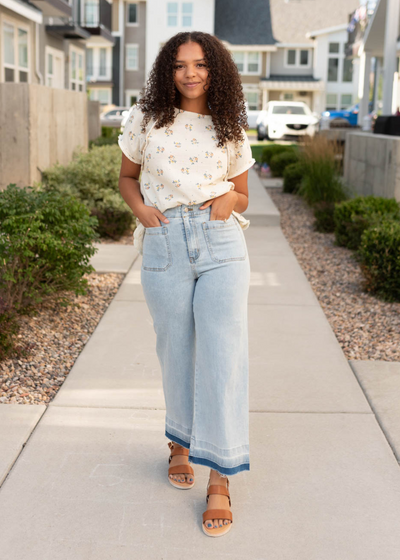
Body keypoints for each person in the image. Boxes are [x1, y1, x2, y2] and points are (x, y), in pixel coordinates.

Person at [118, 31, 255, 537]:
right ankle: (179, 442)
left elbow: (242, 195)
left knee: (223, 356)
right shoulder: (146, 119)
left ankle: (220, 477)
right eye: (180, 66)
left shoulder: (229, 125)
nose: (191, 73)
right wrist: (142, 212)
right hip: (166, 240)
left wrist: (228, 203)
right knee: (175, 348)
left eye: (200, 64)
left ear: (215, 69)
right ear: (166, 72)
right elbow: (127, 177)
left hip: (221, 244)